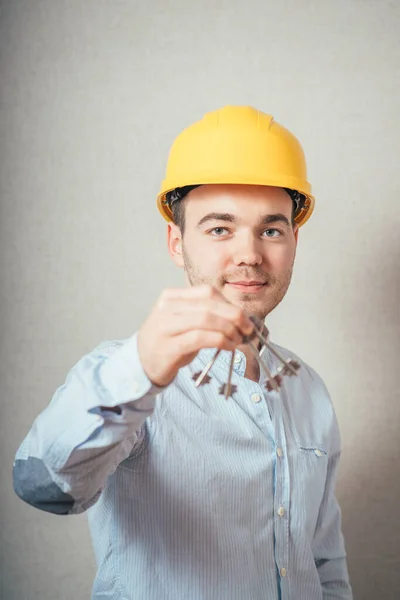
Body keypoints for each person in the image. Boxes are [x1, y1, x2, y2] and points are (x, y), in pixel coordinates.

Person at [13, 106, 352, 600]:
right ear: (177, 243)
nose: (250, 254)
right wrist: (141, 370)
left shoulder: (310, 391)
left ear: (294, 240)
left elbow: (323, 561)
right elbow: (44, 486)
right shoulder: (123, 373)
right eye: (220, 229)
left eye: (271, 229)